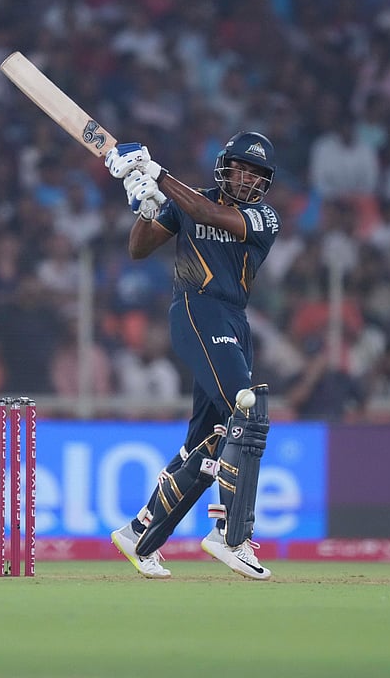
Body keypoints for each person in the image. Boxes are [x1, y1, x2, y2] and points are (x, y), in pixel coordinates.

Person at [105, 132, 279, 580]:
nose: (247, 179)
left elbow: (209, 214)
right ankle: (231, 536)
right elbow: (138, 249)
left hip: (234, 322)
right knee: (248, 409)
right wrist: (146, 209)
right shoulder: (187, 199)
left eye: (257, 174)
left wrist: (158, 176)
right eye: (241, 168)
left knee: (212, 437)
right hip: (196, 309)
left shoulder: (264, 218)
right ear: (225, 166)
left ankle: (140, 533)